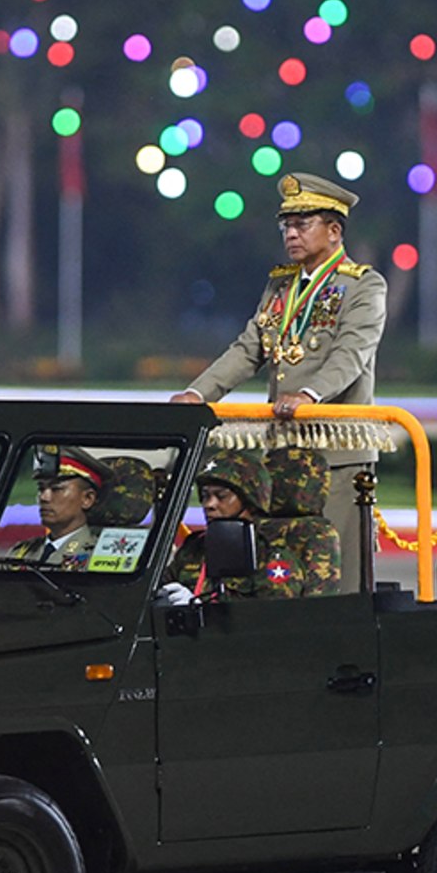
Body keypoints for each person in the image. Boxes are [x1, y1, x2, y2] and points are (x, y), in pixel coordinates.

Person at [170, 172, 387, 588]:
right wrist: (198, 393)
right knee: (281, 567)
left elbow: (351, 354)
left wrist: (309, 394)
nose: (290, 234)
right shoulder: (281, 285)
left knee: (338, 575)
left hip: (335, 454)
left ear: (334, 230)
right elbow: (248, 348)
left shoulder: (363, 285)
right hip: (283, 450)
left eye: (302, 224)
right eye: (286, 225)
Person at [161, 450, 309, 600]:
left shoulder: (270, 556)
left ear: (249, 501)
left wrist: (200, 608)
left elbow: (274, 613)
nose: (209, 504)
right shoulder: (193, 548)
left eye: (221, 496)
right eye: (205, 496)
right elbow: (159, 587)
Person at [7, 445, 110, 567]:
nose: (44, 497)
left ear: (87, 499)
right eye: (41, 489)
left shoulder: (101, 556)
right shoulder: (21, 553)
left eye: (56, 489)